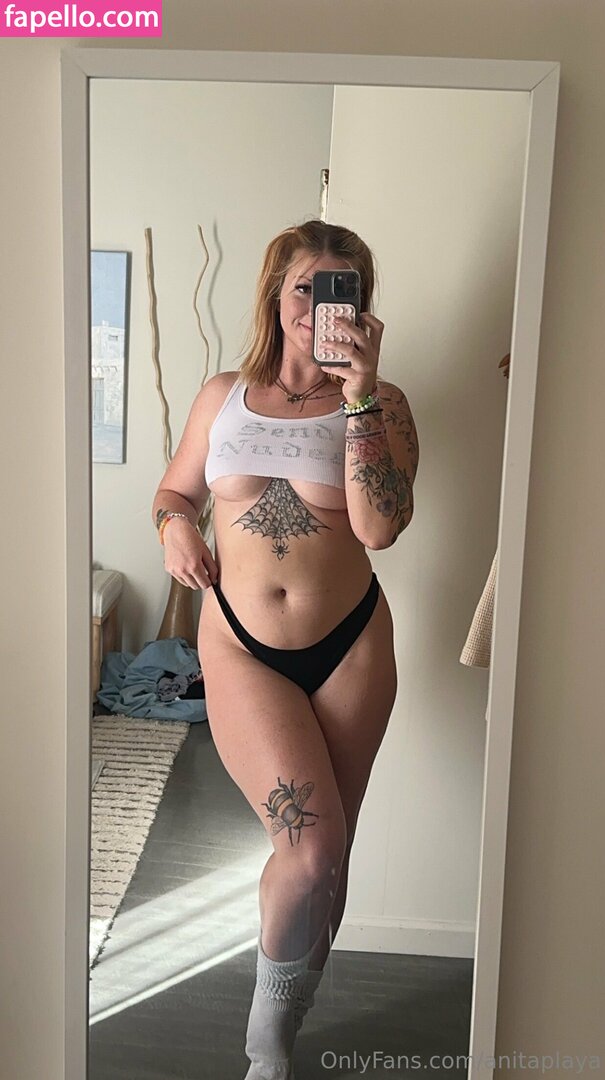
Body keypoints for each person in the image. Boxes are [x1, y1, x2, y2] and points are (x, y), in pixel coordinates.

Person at [151, 219, 419, 1079]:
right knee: (306, 852)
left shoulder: (384, 404)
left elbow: (380, 528)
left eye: (342, 290)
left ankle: (285, 1025)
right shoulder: (222, 394)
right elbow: (174, 491)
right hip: (240, 646)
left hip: (350, 647)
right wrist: (174, 528)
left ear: (362, 306)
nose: (319, 306)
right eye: (307, 285)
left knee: (328, 862)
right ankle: (265, 1058)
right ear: (276, 291)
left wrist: (361, 393)